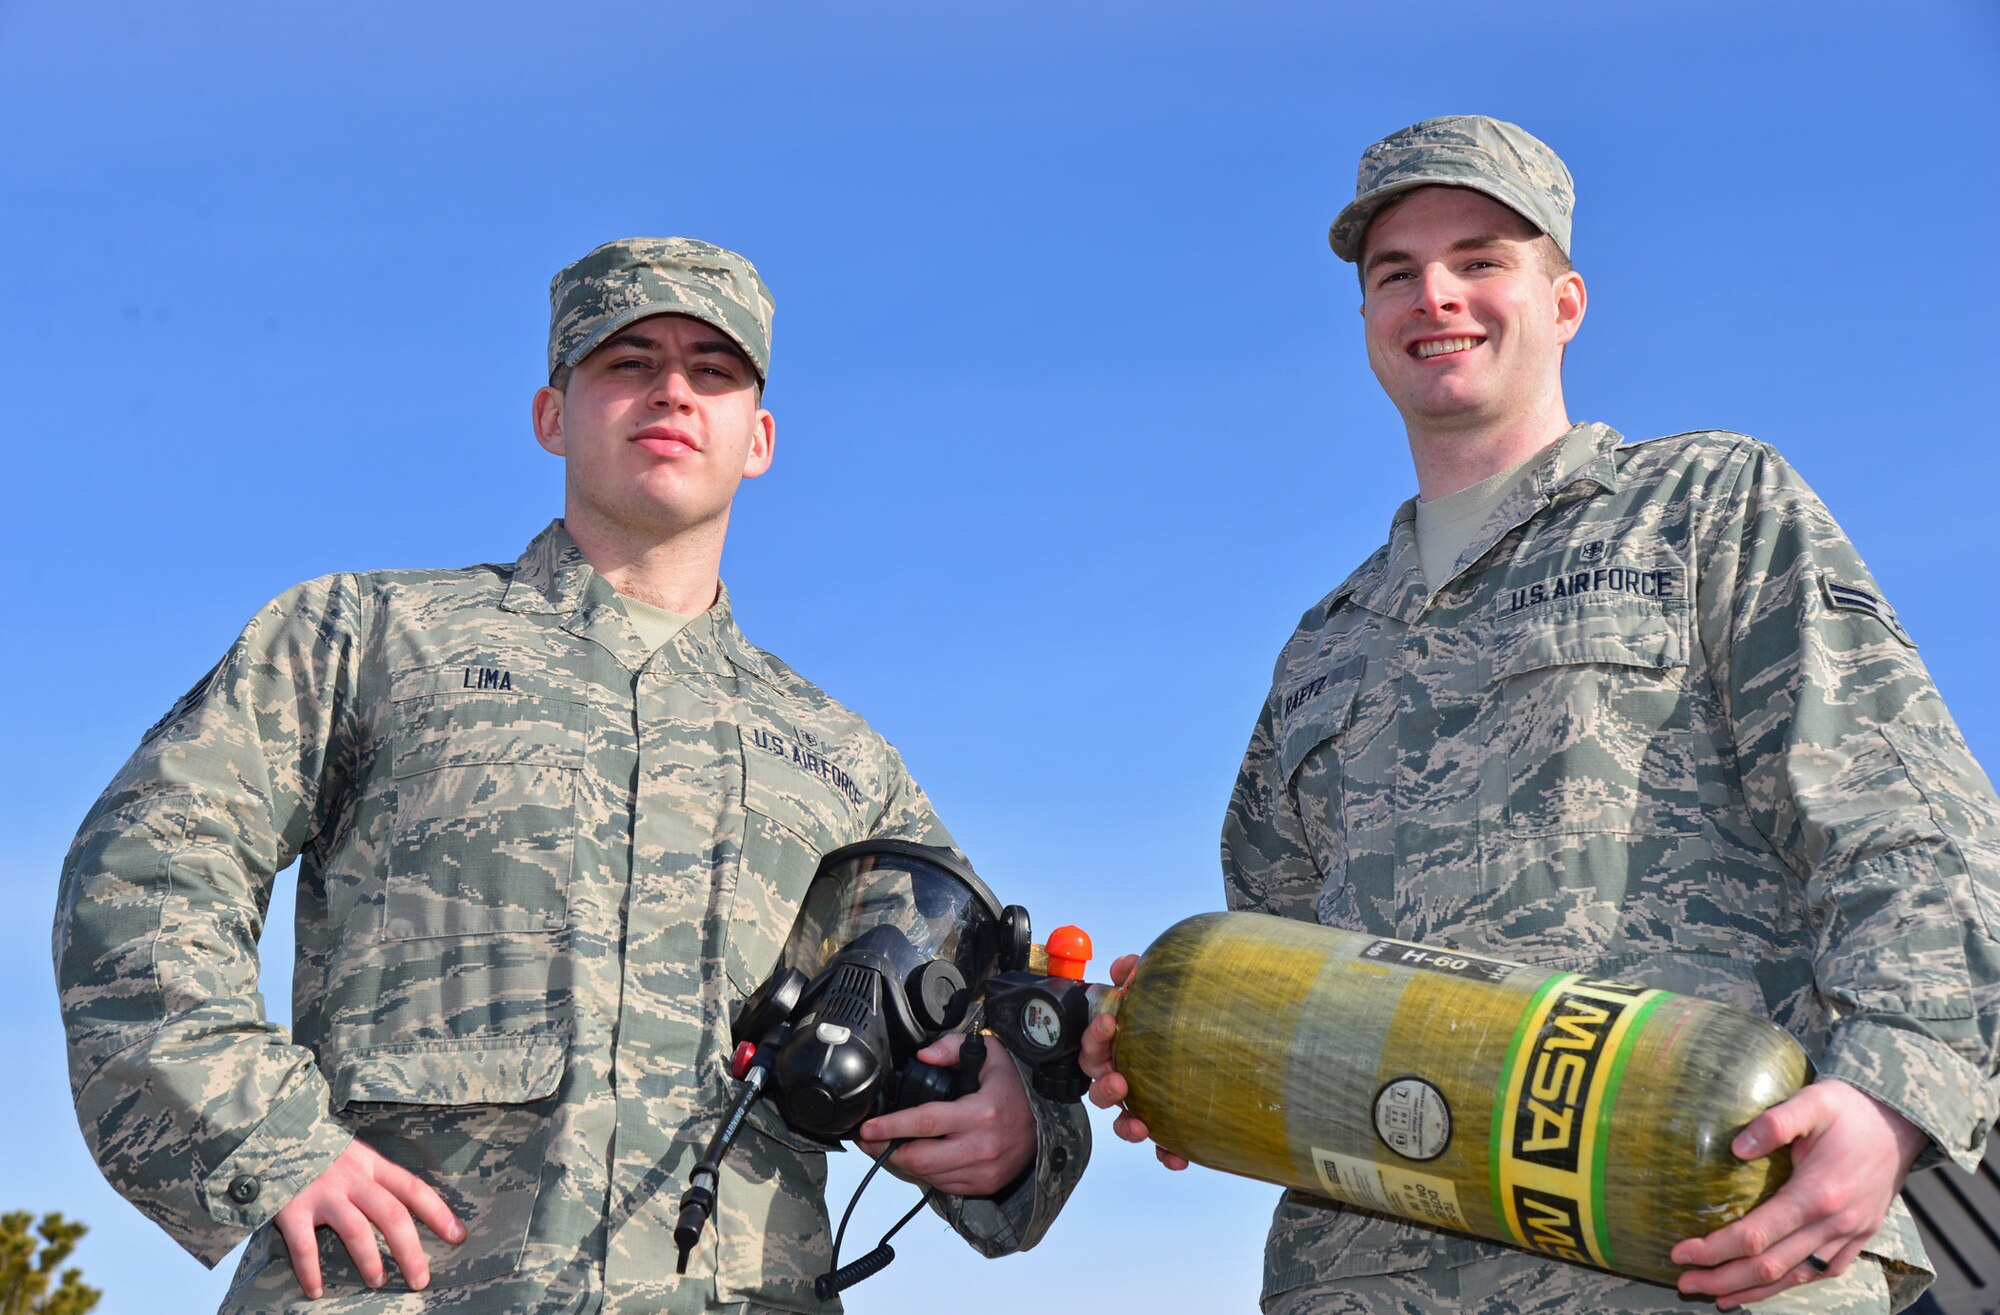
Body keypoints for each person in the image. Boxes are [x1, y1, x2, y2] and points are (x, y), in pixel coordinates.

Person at [53, 237, 1088, 1313]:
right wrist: (264, 1137)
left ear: (759, 439)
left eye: (714, 371)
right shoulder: (367, 638)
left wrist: (1014, 1130)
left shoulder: (839, 761)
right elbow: (145, 873)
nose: (672, 390)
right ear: (553, 413)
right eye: (627, 361)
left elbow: (984, 1010)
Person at [1081, 117, 1999, 1314]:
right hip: (1369, 1282)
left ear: (1562, 300)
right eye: (1393, 274)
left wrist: (1890, 1100)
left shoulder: (1706, 510)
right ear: (1364, 321)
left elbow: (1910, 823)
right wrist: (1161, 1043)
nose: (1435, 296)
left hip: (1705, 1250)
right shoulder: (1322, 646)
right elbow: (1282, 977)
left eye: (1479, 259)